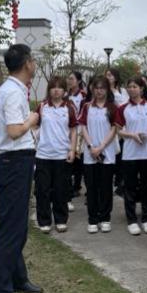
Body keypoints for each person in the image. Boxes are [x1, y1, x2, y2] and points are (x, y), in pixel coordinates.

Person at [0, 44, 42, 293]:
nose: (35, 64)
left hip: (16, 162)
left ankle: (18, 278)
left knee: (17, 226)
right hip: (13, 163)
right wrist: (32, 120)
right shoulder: (11, 93)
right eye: (33, 60)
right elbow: (13, 130)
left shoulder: (14, 89)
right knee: (11, 228)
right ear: (27, 63)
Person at [115, 77, 147, 235]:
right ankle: (132, 220)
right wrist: (132, 135)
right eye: (129, 86)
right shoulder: (123, 108)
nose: (131, 89)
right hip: (129, 154)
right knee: (129, 187)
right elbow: (118, 130)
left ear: (142, 89)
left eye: (135, 86)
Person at [34, 76, 78, 234]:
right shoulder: (42, 106)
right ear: (49, 90)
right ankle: (44, 221)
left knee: (61, 190)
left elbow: (73, 130)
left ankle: (61, 220)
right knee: (42, 190)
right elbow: (34, 125)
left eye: (60, 87)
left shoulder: (69, 107)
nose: (56, 90)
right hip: (43, 155)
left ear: (64, 91)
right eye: (53, 87)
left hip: (62, 155)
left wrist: (72, 149)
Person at [79, 76, 118, 233]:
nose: (99, 91)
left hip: (107, 154)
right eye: (96, 88)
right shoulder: (87, 106)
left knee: (106, 187)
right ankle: (93, 219)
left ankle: (105, 218)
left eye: (102, 88)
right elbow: (83, 127)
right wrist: (91, 146)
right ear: (92, 89)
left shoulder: (112, 107)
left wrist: (101, 147)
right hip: (90, 154)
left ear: (107, 90)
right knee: (91, 187)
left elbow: (114, 129)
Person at [105, 67, 128, 196]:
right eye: (106, 75)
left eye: (110, 75)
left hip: (120, 128)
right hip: (108, 127)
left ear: (116, 77)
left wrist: (115, 93)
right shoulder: (103, 91)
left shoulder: (122, 91)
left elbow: (124, 106)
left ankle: (119, 184)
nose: (108, 77)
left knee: (120, 158)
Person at [66, 71, 86, 202]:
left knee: (78, 157)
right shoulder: (66, 95)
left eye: (72, 78)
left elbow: (83, 113)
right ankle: (69, 185)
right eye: (68, 78)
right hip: (67, 129)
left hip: (78, 129)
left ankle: (77, 186)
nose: (69, 81)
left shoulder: (83, 95)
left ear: (78, 81)